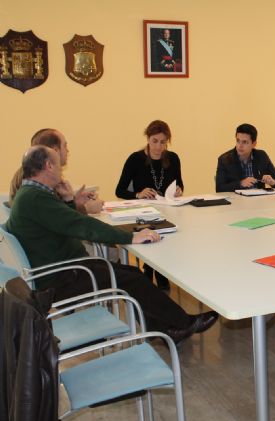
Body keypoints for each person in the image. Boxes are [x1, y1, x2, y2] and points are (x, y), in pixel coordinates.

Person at [6, 146, 218, 345]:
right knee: (133, 279)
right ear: (48, 166)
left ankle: (166, 329)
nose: (62, 169)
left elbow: (63, 221)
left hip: (64, 269)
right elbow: (80, 225)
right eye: (59, 165)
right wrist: (130, 237)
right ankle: (182, 324)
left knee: (132, 274)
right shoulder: (36, 199)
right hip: (62, 277)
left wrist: (69, 200)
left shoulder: (31, 195)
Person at [115, 120, 183, 290]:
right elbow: (120, 190)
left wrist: (178, 190)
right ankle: (151, 268)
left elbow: (179, 183)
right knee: (153, 233)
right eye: (155, 141)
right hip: (143, 213)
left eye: (163, 142)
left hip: (167, 210)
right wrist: (138, 194)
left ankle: (159, 270)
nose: (158, 147)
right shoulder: (135, 159)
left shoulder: (173, 158)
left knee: (173, 231)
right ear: (148, 138)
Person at [8, 128, 103, 214]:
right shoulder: (37, 179)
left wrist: (74, 200)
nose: (68, 151)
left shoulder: (31, 173)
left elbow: (57, 210)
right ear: (55, 150)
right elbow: (54, 216)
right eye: (65, 146)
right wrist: (86, 208)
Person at [215, 123, 275, 192]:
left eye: (244, 142)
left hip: (259, 198)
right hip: (236, 198)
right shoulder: (224, 159)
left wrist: (273, 182)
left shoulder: (261, 156)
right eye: (238, 141)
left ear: (254, 144)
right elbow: (219, 188)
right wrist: (240, 183)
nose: (240, 145)